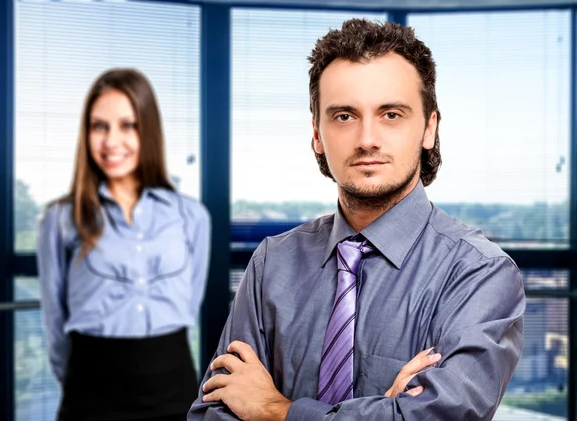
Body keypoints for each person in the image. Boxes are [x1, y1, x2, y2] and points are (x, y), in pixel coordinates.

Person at [188, 19, 525, 421]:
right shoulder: (271, 264)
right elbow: (211, 414)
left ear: (429, 128)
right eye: (344, 116)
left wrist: (275, 409)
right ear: (317, 133)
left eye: (391, 114)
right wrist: (387, 409)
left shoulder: (479, 274)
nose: (367, 139)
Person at [37, 68, 211, 421]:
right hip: (90, 392)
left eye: (127, 125)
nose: (111, 141)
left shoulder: (191, 217)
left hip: (173, 385)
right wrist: (78, 383)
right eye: (99, 126)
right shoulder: (60, 220)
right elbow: (54, 324)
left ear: (148, 130)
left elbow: (189, 303)